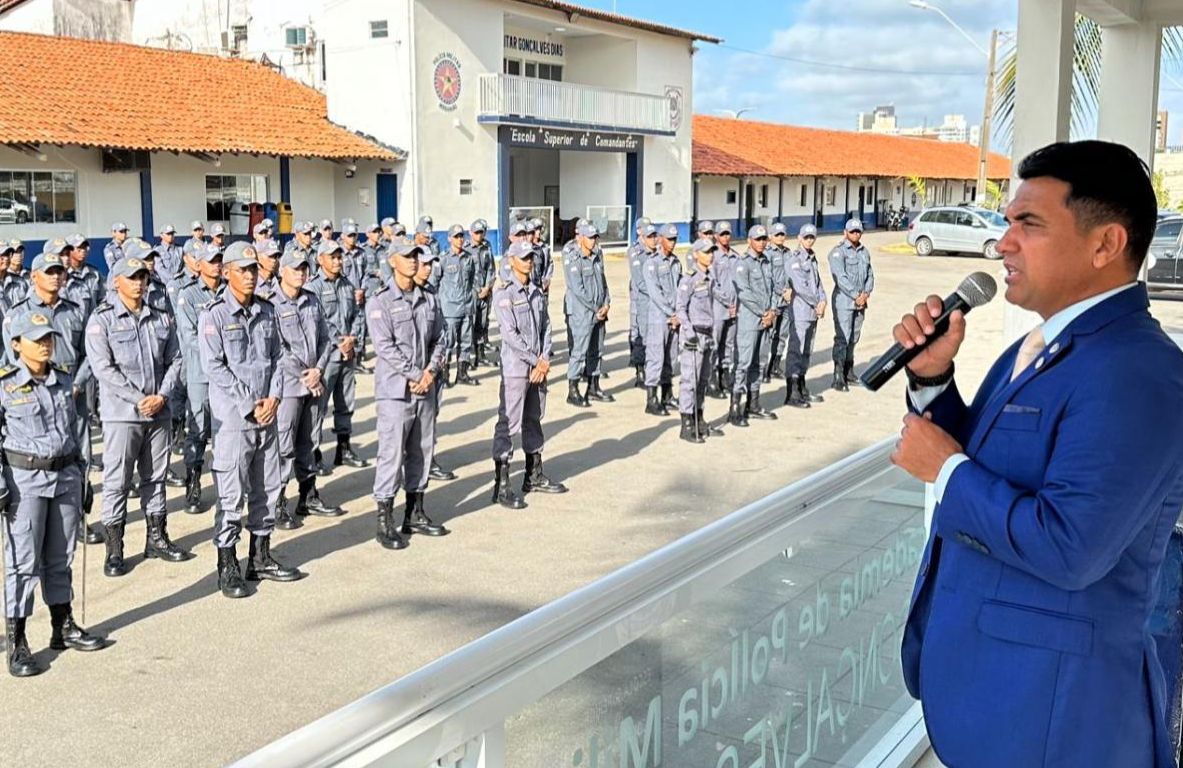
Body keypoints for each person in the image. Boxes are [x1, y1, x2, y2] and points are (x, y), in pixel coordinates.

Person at [892, 140, 1183, 768]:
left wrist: (945, 468)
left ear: (1105, 244)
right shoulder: (1040, 345)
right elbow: (987, 457)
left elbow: (1071, 548)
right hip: (995, 686)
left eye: (1028, 224)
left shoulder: (1140, 372)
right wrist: (933, 381)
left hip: (1056, 716)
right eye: (1005, 223)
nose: (1002, 244)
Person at [2, 311, 108, 677]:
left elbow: (75, 432)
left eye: (48, 338)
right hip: (24, 480)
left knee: (61, 556)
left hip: (64, 475)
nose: (46, 344)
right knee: (23, 562)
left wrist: (83, 477)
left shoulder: (63, 381)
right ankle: (17, 642)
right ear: (16, 344)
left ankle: (62, 625)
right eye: (36, 339)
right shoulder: (5, 386)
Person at [200, 242, 302, 599]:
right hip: (234, 420)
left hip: (267, 415)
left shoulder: (267, 311)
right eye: (242, 270)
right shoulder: (213, 316)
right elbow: (215, 367)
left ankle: (259, 556)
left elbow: (278, 357)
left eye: (253, 269)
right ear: (226, 272)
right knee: (232, 494)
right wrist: (249, 403)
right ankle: (226, 564)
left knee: (268, 488)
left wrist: (274, 397)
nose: (249, 275)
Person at [86, 251, 191, 577]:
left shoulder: (160, 317)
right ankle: (115, 548)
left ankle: (157, 537)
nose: (139, 283)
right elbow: (104, 369)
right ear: (116, 281)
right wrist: (139, 399)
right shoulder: (101, 320)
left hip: (158, 412)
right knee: (117, 482)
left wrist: (161, 396)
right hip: (122, 415)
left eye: (143, 277)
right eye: (131, 277)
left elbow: (177, 359)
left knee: (155, 477)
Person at [366, 241, 449, 549]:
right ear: (392, 261)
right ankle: (384, 519)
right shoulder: (381, 301)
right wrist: (417, 374)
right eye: (407, 256)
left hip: (424, 388)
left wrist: (430, 372)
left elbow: (441, 337)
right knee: (392, 454)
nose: (414, 261)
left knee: (422, 450)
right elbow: (384, 347)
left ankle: (414, 511)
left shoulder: (428, 298)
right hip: (395, 392)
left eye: (416, 256)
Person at [491, 240, 567, 509]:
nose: (529, 262)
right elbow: (510, 335)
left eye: (531, 257)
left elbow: (546, 325)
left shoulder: (536, 291)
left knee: (534, 419)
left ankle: (533, 475)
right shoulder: (504, 293)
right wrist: (536, 361)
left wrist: (545, 359)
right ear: (511, 260)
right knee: (509, 424)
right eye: (523, 258)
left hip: (538, 368)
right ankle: (501, 486)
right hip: (516, 369)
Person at [271, 248, 342, 529]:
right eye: (295, 268)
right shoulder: (271, 304)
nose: (301, 272)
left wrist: (319, 370)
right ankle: (277, 502)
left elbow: (326, 338)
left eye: (304, 268)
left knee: (309, 442)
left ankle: (308, 495)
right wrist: (306, 375)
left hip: (315, 382)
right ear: (282, 271)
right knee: (284, 445)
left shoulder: (312, 300)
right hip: (290, 386)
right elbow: (278, 349)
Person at [307, 239, 368, 472]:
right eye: (332, 257)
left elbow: (357, 314)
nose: (337, 260)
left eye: (339, 256)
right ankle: (313, 454)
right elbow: (318, 321)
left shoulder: (347, 284)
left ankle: (344, 449)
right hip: (327, 357)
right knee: (318, 408)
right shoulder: (314, 287)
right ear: (320, 259)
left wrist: (352, 338)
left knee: (345, 404)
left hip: (347, 354)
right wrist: (339, 342)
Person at [174, 242, 223, 515]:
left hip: (226, 376)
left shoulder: (229, 290)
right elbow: (190, 337)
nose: (217, 264)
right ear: (199, 265)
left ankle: (227, 487)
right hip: (201, 375)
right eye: (211, 260)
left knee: (225, 430)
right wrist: (219, 355)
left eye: (219, 260)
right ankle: (193, 483)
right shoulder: (189, 295)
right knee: (199, 430)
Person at [675, 238, 723, 444]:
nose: (710, 255)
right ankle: (686, 425)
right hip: (693, 335)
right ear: (695, 255)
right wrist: (688, 331)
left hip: (708, 333)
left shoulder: (710, 277)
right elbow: (680, 308)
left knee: (703, 380)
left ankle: (699, 417)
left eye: (712, 251)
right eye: (705, 252)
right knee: (690, 381)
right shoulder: (689, 279)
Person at [730, 225, 778, 426]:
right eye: (758, 239)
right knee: (744, 363)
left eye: (764, 239)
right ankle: (735, 409)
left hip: (766, 321)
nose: (762, 242)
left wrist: (773, 310)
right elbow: (744, 293)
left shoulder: (767, 261)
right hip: (750, 321)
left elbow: (775, 287)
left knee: (760, 363)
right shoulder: (743, 264)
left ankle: (753, 404)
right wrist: (763, 312)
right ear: (749, 240)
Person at [563, 223, 612, 407]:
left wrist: (606, 303)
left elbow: (603, 282)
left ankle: (593, 386)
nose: (593, 241)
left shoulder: (596, 257)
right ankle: (573, 390)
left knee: (596, 350)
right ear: (580, 237)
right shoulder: (574, 258)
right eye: (590, 237)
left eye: (595, 237)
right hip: (583, 313)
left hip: (599, 312)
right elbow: (578, 290)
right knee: (579, 351)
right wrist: (596, 308)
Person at [783, 224, 827, 408]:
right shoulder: (794, 260)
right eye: (806, 237)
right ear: (799, 238)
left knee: (807, 350)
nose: (809, 240)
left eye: (812, 237)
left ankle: (801, 387)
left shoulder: (812, 258)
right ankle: (792, 392)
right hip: (801, 311)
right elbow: (801, 287)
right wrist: (817, 302)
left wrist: (823, 300)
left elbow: (818, 283)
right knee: (796, 349)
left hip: (813, 312)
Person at [829, 218, 874, 391]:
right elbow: (840, 277)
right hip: (844, 301)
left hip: (861, 302)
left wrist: (867, 292)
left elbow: (870, 273)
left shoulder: (864, 252)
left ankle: (849, 371)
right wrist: (856, 295)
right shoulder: (837, 252)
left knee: (854, 337)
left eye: (858, 231)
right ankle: (838, 375)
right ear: (845, 232)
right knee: (843, 337)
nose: (856, 234)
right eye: (852, 231)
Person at [642, 224, 681, 416]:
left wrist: (679, 313)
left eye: (675, 239)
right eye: (669, 239)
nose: (673, 243)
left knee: (671, 357)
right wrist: (670, 313)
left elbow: (680, 288)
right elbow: (655, 293)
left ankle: (667, 394)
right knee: (656, 357)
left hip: (674, 317)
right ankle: (651, 399)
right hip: (659, 318)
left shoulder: (676, 262)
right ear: (660, 239)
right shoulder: (652, 263)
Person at [432, 224, 479, 386]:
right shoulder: (442, 259)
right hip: (450, 309)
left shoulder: (468, 258)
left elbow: (472, 279)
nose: (460, 239)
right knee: (448, 343)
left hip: (467, 306)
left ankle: (462, 374)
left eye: (461, 236)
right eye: (456, 236)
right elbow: (434, 282)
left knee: (466, 342)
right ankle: (444, 376)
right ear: (449, 238)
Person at [710, 221, 740, 399]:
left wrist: (736, 304)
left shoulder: (736, 257)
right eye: (722, 234)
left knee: (728, 344)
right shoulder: (712, 256)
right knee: (715, 343)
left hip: (734, 309)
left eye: (728, 234)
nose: (725, 237)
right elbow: (713, 285)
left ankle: (725, 375)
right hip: (718, 308)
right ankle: (712, 379)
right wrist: (728, 301)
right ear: (716, 236)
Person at [628, 222, 658, 388]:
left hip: (657, 302)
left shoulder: (659, 252)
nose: (654, 239)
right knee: (639, 334)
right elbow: (639, 280)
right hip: (642, 300)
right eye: (650, 236)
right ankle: (640, 371)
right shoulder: (635, 252)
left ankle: (652, 371)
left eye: (655, 236)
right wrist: (658, 294)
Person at [763, 222, 791, 382]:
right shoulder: (767, 254)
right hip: (773, 300)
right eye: (777, 234)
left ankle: (775, 366)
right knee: (768, 335)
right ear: (771, 236)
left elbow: (792, 274)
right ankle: (763, 369)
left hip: (787, 301)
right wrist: (782, 292)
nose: (780, 237)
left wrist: (791, 290)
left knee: (782, 335)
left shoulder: (788, 253)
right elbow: (768, 278)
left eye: (782, 234)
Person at [468, 220, 495, 367]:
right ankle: (466, 361)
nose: (480, 235)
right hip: (472, 293)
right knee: (470, 324)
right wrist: (477, 290)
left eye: (482, 232)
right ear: (471, 233)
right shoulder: (466, 249)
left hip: (485, 292)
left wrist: (487, 287)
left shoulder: (487, 247)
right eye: (477, 232)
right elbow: (466, 274)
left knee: (482, 324)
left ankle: (481, 356)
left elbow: (491, 269)